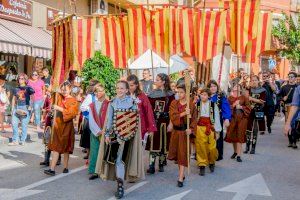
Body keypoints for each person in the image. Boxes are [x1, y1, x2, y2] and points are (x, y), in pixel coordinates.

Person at [96, 81, 144, 199]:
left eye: (122, 88)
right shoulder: (113, 103)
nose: (119, 90)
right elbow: (110, 120)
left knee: (122, 160)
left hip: (128, 137)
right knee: (117, 160)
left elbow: (135, 121)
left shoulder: (133, 102)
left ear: (127, 90)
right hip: (115, 136)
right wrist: (107, 134)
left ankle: (121, 185)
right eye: (117, 88)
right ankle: (120, 186)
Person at [44, 81, 79, 176]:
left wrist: (59, 108)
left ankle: (66, 167)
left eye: (66, 90)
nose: (64, 91)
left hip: (67, 127)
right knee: (56, 147)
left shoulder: (73, 101)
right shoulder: (59, 96)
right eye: (62, 89)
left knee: (66, 148)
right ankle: (52, 169)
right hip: (57, 126)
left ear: (70, 90)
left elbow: (72, 113)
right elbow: (52, 91)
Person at [168, 84, 197, 187]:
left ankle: (180, 178)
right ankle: (182, 173)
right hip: (176, 133)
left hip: (184, 133)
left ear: (186, 93)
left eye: (181, 92)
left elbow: (194, 119)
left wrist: (191, 129)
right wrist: (184, 113)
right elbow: (173, 116)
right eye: (177, 92)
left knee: (183, 154)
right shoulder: (174, 103)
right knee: (177, 155)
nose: (179, 94)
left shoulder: (191, 105)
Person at [146, 73, 175, 174]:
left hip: (166, 121)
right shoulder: (151, 94)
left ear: (163, 82)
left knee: (164, 143)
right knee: (154, 143)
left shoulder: (170, 94)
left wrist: (171, 123)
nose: (156, 81)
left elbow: (173, 110)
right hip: (155, 121)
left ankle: (161, 163)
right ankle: (151, 165)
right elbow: (149, 110)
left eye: (158, 79)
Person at [195, 88, 222, 176]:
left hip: (211, 127)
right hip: (200, 127)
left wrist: (217, 131)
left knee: (212, 147)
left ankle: (212, 162)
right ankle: (202, 164)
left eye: (205, 95)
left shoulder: (213, 105)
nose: (203, 96)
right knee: (201, 146)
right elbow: (193, 116)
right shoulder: (197, 104)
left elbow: (217, 117)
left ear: (209, 96)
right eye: (201, 94)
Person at [87, 84, 109, 180]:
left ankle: (105, 170)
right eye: (96, 91)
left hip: (107, 132)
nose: (98, 93)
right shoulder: (92, 105)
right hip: (96, 132)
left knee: (106, 151)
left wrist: (105, 130)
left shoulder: (109, 103)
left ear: (104, 91)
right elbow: (91, 119)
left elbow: (110, 118)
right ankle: (95, 171)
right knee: (95, 151)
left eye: (100, 91)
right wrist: (98, 131)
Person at [225, 84, 251, 162]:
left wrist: (241, 107)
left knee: (240, 136)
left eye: (238, 88)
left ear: (240, 89)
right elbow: (226, 108)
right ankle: (235, 152)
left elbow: (249, 108)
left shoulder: (244, 98)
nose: (236, 89)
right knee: (233, 137)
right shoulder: (230, 98)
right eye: (235, 87)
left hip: (242, 119)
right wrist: (233, 105)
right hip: (232, 119)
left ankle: (239, 155)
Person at [207, 80, 231, 161]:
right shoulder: (205, 96)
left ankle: (216, 155)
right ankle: (205, 155)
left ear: (217, 87)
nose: (213, 88)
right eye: (211, 86)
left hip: (217, 120)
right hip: (206, 120)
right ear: (208, 88)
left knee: (217, 137)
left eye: (214, 86)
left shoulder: (221, 97)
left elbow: (226, 108)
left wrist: (227, 118)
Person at [127, 75, 157, 141]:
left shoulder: (142, 96)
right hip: (127, 125)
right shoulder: (125, 95)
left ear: (137, 85)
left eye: (131, 85)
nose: (129, 87)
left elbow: (148, 111)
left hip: (141, 125)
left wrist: (151, 127)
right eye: (128, 85)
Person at [8, 73, 35, 146]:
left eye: (22, 78)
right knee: (14, 124)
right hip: (17, 107)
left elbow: (32, 98)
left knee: (24, 125)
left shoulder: (29, 88)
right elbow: (14, 98)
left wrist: (31, 107)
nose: (20, 80)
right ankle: (15, 140)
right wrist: (12, 108)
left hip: (25, 107)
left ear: (25, 80)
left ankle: (22, 140)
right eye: (19, 78)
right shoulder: (15, 88)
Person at [245, 75, 266, 154]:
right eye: (252, 80)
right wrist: (247, 90)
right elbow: (245, 98)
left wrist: (252, 99)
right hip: (249, 110)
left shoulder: (262, 90)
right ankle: (247, 147)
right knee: (248, 128)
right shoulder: (249, 89)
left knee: (255, 129)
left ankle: (253, 147)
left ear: (258, 81)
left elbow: (262, 102)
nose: (253, 81)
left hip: (258, 110)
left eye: (255, 80)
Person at [79, 80, 100, 159]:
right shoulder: (90, 96)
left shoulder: (101, 96)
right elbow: (82, 107)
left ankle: (93, 155)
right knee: (88, 138)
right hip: (90, 120)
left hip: (98, 121)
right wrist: (92, 109)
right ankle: (89, 154)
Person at [279, 72, 298, 147]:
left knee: (295, 125)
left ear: (295, 78)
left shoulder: (298, 87)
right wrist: (282, 98)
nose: (290, 78)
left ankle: (294, 141)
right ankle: (290, 141)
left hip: (296, 108)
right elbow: (278, 96)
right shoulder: (284, 87)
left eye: (292, 77)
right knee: (289, 123)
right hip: (287, 107)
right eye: (289, 76)